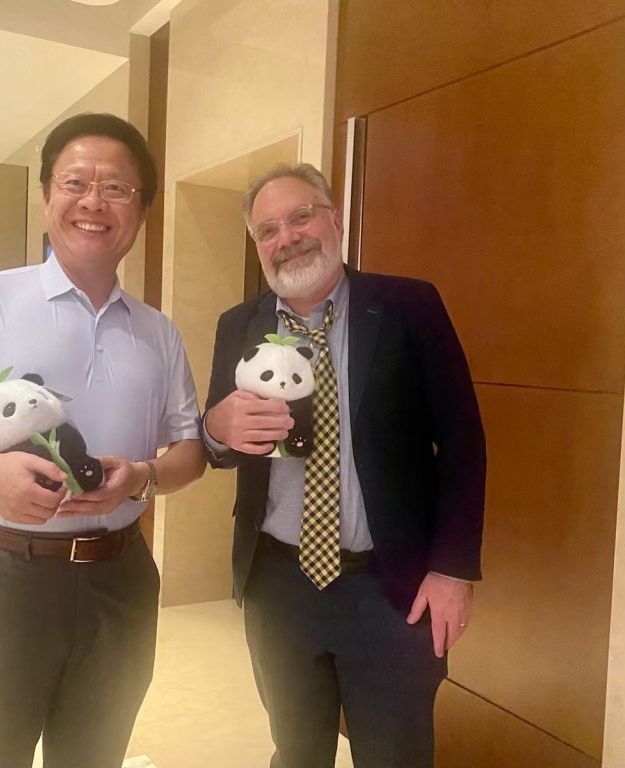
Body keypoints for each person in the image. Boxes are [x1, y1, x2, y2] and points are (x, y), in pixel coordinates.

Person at [0, 113, 205, 768]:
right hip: (2, 576)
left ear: (141, 209)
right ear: (46, 197)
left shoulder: (158, 333)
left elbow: (190, 452)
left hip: (120, 578)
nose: (93, 202)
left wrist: (143, 475)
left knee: (96, 755)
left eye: (116, 188)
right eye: (76, 182)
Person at [203, 163, 486, 767]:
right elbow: (219, 446)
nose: (288, 238)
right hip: (279, 585)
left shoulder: (409, 305)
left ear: (334, 219)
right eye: (268, 230)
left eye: (301, 216)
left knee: (395, 754)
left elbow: (463, 441)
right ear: (258, 246)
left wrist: (453, 569)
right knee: (296, 751)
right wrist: (215, 428)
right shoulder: (239, 325)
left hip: (392, 586)